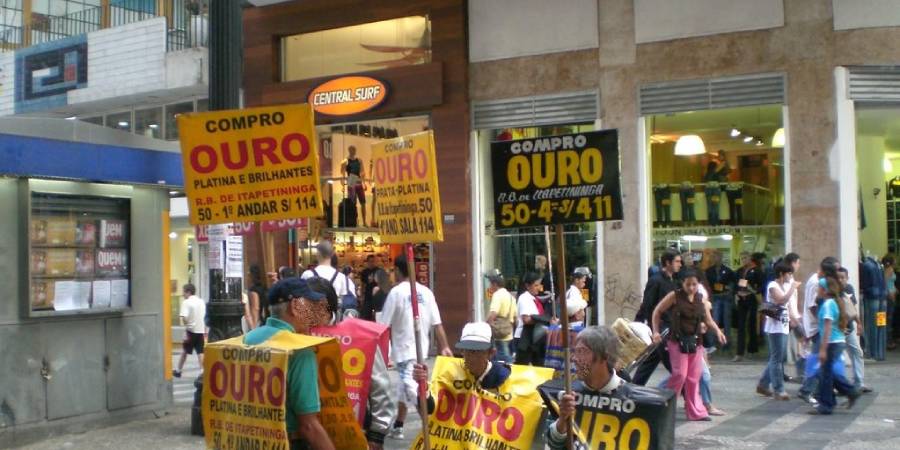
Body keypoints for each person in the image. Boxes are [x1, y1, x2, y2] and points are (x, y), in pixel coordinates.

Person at [244, 277, 335, 450]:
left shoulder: (247, 339)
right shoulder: (300, 351)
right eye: (309, 305)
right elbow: (309, 427)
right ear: (295, 306)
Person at [306, 278, 394, 450]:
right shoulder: (296, 333)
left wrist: (377, 435)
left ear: (324, 306)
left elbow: (381, 389)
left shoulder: (360, 338)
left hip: (353, 431)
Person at [377, 255, 452, 440]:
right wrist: (445, 346)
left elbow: (383, 326)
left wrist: (380, 353)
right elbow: (438, 323)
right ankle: (399, 425)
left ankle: (432, 432)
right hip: (420, 352)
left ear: (397, 270)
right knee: (405, 389)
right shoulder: (426, 292)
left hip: (404, 353)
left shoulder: (396, 293)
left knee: (416, 393)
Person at [651, 269, 727, 421]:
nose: (691, 288)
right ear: (682, 283)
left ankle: (695, 411)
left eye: (694, 284)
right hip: (677, 341)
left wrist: (718, 331)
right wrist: (655, 331)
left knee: (693, 378)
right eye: (688, 284)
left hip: (695, 342)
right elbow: (657, 311)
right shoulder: (675, 296)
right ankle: (665, 406)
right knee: (680, 375)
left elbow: (708, 319)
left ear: (698, 284)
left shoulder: (701, 299)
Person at [547, 326, 638, 449]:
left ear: (604, 356)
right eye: (575, 351)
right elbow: (553, 444)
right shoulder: (569, 393)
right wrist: (563, 419)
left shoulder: (631, 399)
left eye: (582, 351)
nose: (574, 358)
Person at [411, 322, 514, 411]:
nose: (470, 357)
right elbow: (431, 409)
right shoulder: (452, 374)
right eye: (466, 351)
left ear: (491, 353)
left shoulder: (503, 377)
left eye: (476, 351)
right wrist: (423, 386)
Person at [809, 277, 861, 415]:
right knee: (826, 372)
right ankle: (846, 393)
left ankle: (828, 404)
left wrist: (823, 349)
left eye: (818, 288)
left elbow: (827, 329)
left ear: (825, 290)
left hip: (832, 342)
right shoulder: (833, 302)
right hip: (837, 341)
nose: (817, 290)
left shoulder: (827, 305)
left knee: (825, 374)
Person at [632, 249, 682, 385]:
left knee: (649, 361)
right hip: (661, 329)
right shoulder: (655, 281)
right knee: (674, 365)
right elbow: (647, 305)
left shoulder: (675, 281)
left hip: (670, 326)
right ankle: (688, 393)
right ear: (668, 262)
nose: (680, 264)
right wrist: (652, 329)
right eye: (677, 261)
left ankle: (633, 387)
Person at [798, 257, 840, 404]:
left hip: (816, 326)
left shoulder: (816, 280)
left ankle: (816, 390)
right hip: (816, 327)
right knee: (817, 361)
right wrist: (822, 322)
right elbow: (812, 305)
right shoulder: (817, 282)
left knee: (820, 361)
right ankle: (807, 390)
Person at [756, 262, 800, 400]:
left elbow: (788, 305)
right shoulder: (772, 286)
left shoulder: (784, 286)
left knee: (777, 357)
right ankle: (778, 389)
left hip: (784, 324)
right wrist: (792, 288)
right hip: (775, 327)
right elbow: (781, 301)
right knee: (777, 358)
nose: (790, 276)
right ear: (781, 274)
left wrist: (794, 318)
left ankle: (763, 384)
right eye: (788, 273)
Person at [838, 267, 872, 394]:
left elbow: (852, 308)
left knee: (857, 352)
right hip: (839, 330)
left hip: (849, 328)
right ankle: (839, 385)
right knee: (838, 357)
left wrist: (858, 323)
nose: (841, 280)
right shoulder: (833, 291)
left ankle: (859, 382)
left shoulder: (849, 289)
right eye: (839, 277)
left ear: (847, 278)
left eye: (843, 278)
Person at [514, 272, 556, 366]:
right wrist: (546, 320)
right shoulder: (524, 298)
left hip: (535, 337)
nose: (538, 288)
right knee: (522, 367)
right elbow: (527, 320)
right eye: (535, 285)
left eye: (539, 285)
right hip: (524, 338)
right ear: (527, 286)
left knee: (539, 365)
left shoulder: (534, 299)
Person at [733, 252, 763, 362]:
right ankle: (739, 353)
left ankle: (752, 350)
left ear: (750, 258)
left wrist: (754, 290)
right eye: (742, 258)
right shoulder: (740, 271)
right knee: (741, 325)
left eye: (745, 258)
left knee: (752, 324)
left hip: (752, 298)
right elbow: (737, 284)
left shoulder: (757, 270)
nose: (743, 260)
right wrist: (736, 294)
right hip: (741, 299)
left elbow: (761, 285)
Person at [706, 250, 736, 349]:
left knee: (727, 320)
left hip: (726, 297)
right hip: (715, 297)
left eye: (718, 256)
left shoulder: (728, 270)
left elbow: (733, 284)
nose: (716, 258)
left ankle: (727, 343)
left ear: (721, 258)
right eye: (714, 256)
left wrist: (729, 289)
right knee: (715, 319)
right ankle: (714, 342)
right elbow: (707, 285)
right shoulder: (708, 271)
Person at [174, 283, 205, 378]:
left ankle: (178, 370)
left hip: (190, 330)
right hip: (200, 330)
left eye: (183, 292)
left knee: (185, 351)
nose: (183, 294)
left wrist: (187, 325)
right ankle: (202, 371)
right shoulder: (201, 301)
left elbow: (183, 317)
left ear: (188, 292)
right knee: (200, 351)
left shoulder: (186, 302)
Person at [485, 269, 516, 362]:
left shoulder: (497, 295)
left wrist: (486, 325)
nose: (490, 286)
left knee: (503, 359)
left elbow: (493, 313)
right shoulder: (511, 297)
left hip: (499, 335)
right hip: (509, 333)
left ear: (495, 284)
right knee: (507, 357)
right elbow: (515, 317)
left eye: (490, 284)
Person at [782, 253, 804, 382]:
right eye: (798, 263)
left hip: (793, 316)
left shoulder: (791, 279)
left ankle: (801, 373)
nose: (799, 266)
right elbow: (786, 299)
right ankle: (801, 374)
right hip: (790, 318)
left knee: (798, 346)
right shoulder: (788, 279)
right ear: (793, 263)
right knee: (797, 346)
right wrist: (793, 317)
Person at [341, 145, 368, 226]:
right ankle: (354, 222)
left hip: (358, 181)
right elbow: (342, 174)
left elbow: (362, 172)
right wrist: (342, 185)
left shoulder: (359, 160)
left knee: (363, 202)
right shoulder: (345, 161)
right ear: (349, 150)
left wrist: (364, 183)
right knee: (353, 204)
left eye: (354, 149)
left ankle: (364, 221)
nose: (353, 151)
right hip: (351, 180)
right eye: (351, 149)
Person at [359, 255, 380, 321]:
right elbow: (362, 285)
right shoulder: (364, 272)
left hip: (377, 296)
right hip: (368, 296)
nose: (372, 263)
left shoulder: (379, 271)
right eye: (370, 261)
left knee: (377, 316)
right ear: (367, 262)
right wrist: (362, 296)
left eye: (374, 261)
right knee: (366, 316)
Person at [883, 255, 898, 350]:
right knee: (889, 318)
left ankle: (888, 340)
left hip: (891, 294)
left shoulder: (887, 269)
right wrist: (890, 293)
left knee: (888, 318)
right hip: (889, 296)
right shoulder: (890, 269)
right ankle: (888, 341)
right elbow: (885, 282)